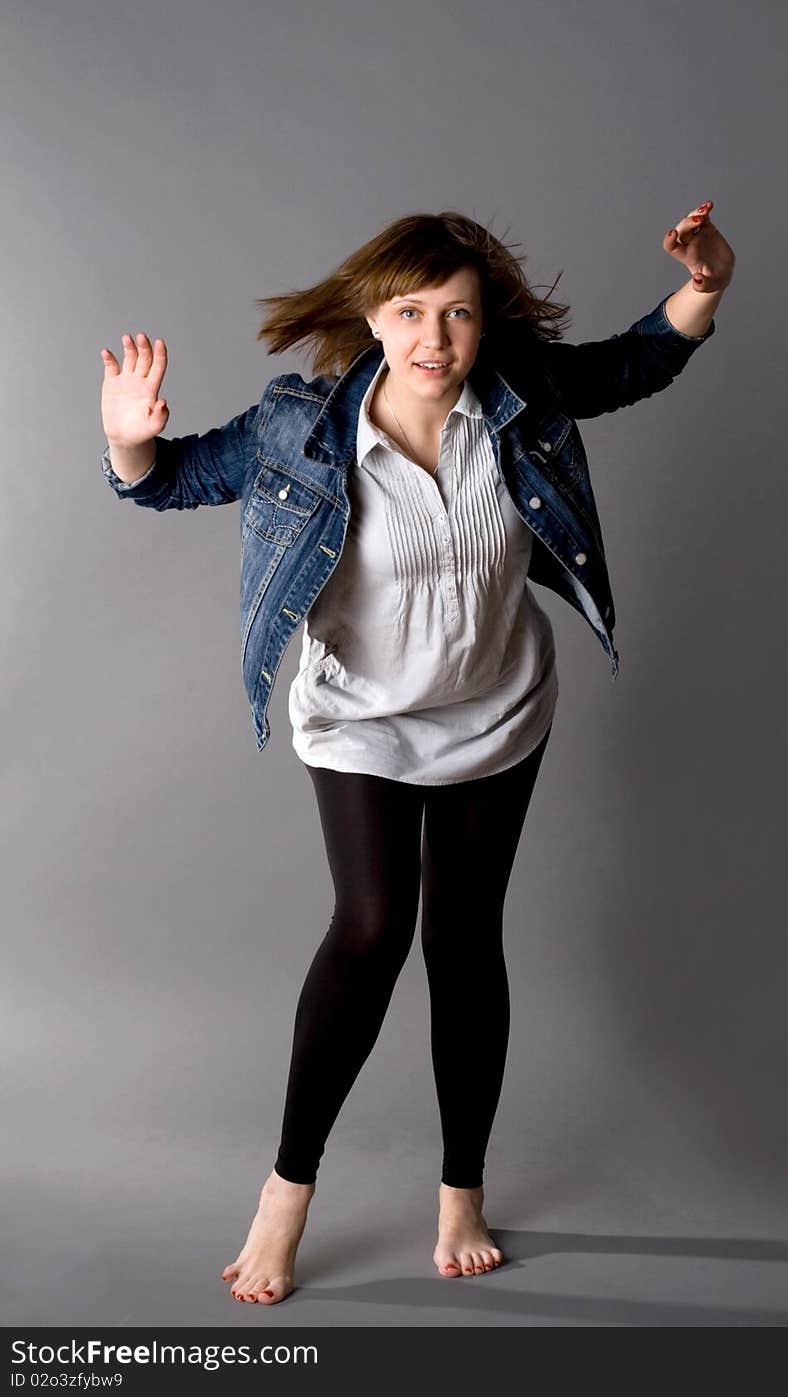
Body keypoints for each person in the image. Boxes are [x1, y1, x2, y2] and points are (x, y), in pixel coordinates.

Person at [99, 206, 734, 1306]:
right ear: (370, 315)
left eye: (457, 313)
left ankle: (461, 1190)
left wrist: (705, 286)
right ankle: (286, 1191)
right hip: (363, 720)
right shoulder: (303, 425)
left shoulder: (518, 398)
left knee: (463, 936)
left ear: (484, 325)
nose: (433, 336)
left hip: (496, 706)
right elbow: (168, 478)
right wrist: (129, 437)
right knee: (373, 924)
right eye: (409, 311)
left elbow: (635, 362)